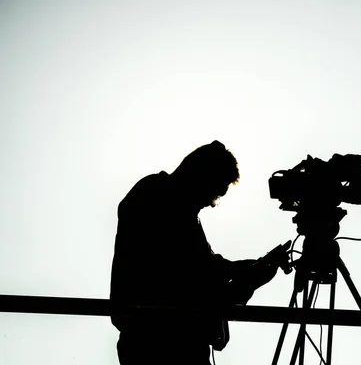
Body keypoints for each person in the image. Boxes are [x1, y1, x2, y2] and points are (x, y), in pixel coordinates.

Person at [110, 140, 281, 364]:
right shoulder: (159, 203)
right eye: (214, 194)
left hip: (164, 340)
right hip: (164, 344)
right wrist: (248, 278)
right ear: (200, 178)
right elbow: (193, 280)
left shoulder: (160, 200)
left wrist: (245, 270)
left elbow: (201, 268)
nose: (211, 204)